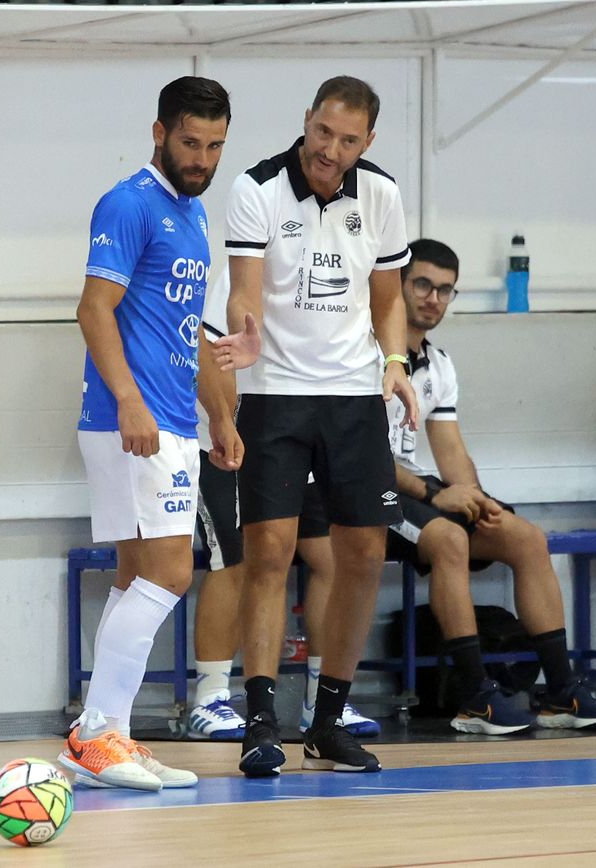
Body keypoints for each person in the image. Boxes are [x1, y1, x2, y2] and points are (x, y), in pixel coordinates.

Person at [213, 75, 420, 777]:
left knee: (364, 554)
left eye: (348, 140)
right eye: (322, 132)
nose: (330, 150)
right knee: (269, 552)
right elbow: (245, 287)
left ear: (367, 142)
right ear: (306, 121)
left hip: (354, 396)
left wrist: (394, 361)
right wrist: (244, 335)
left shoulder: (382, 196)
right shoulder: (257, 188)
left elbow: (387, 298)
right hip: (275, 394)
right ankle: (261, 721)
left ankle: (328, 720)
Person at [61, 76, 232, 792]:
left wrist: (220, 415)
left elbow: (186, 331)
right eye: (190, 142)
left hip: (172, 420)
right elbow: (93, 309)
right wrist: (131, 401)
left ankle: (111, 737)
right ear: (159, 133)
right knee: (171, 573)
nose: (202, 158)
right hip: (133, 421)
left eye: (215, 146)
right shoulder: (129, 203)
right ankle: (96, 733)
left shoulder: (192, 215)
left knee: (137, 578)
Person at [383, 239, 596, 735]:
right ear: (397, 286)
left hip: (413, 488)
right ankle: (474, 697)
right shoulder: (368, 353)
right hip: (366, 489)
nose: (433, 299)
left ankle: (561, 690)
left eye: (445, 290)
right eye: (422, 285)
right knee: (448, 538)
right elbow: (362, 458)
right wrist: (435, 494)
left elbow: (452, 452)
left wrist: (477, 500)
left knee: (525, 536)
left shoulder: (439, 364)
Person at [187, 278, 383, 742]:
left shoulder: (336, 278)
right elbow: (208, 349)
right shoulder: (245, 275)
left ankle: (322, 696)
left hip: (305, 435)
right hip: (229, 438)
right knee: (239, 559)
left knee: (332, 557)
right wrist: (225, 422)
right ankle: (211, 696)